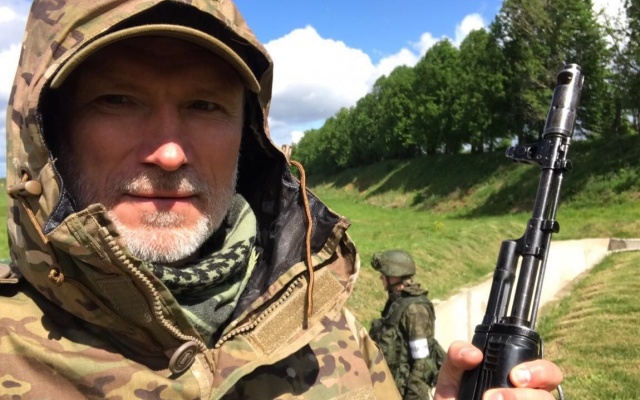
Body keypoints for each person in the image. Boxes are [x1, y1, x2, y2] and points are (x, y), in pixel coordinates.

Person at [0, 0, 562, 399]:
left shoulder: (329, 329)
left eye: (205, 106)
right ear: (48, 131)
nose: (169, 153)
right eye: (118, 100)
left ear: (247, 135)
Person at [369, 250, 446, 399]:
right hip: (390, 386)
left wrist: (413, 394)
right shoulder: (396, 302)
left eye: (384, 274)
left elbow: (422, 359)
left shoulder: (415, 309)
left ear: (395, 275)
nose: (381, 277)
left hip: (407, 392)